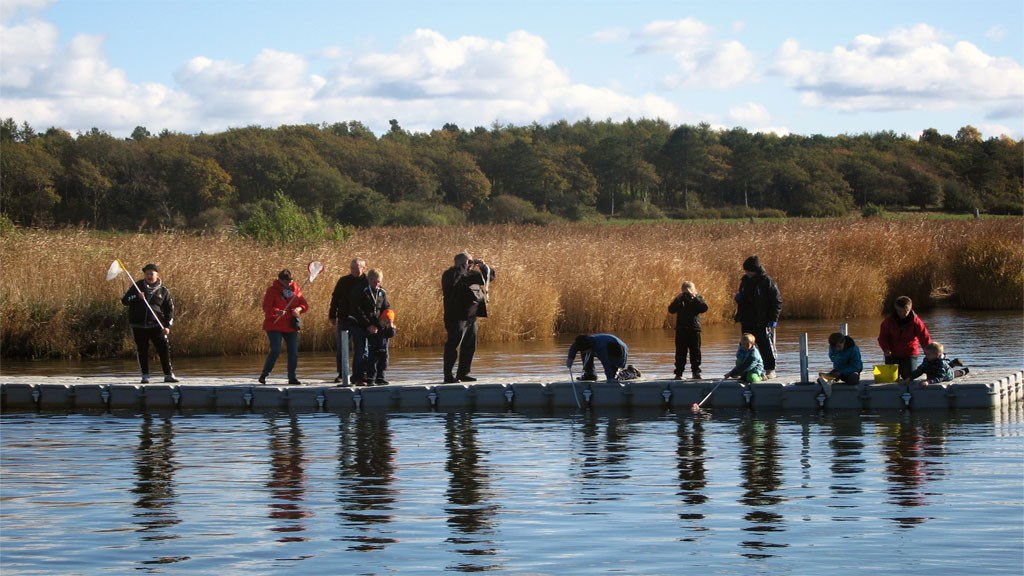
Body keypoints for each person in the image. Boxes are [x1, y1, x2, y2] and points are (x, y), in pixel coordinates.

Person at [441, 252, 495, 383]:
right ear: (459, 263)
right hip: (456, 317)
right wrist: (462, 266)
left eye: (471, 262)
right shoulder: (450, 274)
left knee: (469, 346)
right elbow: (453, 281)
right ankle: (448, 375)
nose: (471, 264)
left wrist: (483, 266)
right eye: (468, 262)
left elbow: (489, 278)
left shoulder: (472, 274)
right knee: (453, 345)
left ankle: (463, 373)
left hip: (471, 317)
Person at [121, 263, 178, 384]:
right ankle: (145, 376)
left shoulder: (163, 290)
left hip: (156, 325)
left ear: (157, 275)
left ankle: (168, 374)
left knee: (163, 349)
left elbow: (169, 309)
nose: (149, 276)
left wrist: (167, 326)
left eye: (151, 273)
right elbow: (124, 300)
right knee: (142, 350)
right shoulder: (137, 286)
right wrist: (137, 297)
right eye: (147, 274)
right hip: (138, 325)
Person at [734, 255, 782, 379]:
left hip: (762, 320)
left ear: (754, 270)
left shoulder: (767, 281)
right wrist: (739, 299)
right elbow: (744, 298)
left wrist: (773, 319)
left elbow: (776, 301)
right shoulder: (744, 281)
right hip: (747, 319)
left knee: (765, 345)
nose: (746, 273)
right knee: (745, 345)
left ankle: (770, 369)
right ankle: (744, 369)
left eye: (748, 270)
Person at [259, 269, 308, 385]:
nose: (289, 284)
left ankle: (292, 377)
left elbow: (304, 305)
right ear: (280, 280)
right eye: (286, 282)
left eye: (290, 281)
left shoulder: (296, 290)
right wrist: (277, 311)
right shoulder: (272, 291)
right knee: (275, 351)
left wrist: (299, 309)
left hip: (291, 326)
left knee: (293, 352)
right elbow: (266, 308)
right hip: (274, 325)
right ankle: (265, 374)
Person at [347, 268, 390, 386]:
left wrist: (386, 321)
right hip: (358, 324)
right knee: (361, 350)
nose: (377, 284)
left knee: (376, 351)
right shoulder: (360, 290)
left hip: (374, 325)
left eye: (379, 282)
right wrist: (369, 325)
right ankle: (358, 377)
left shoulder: (381, 292)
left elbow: (386, 308)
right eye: (375, 282)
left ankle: (374, 377)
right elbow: (357, 311)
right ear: (369, 280)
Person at [328, 258, 368, 384]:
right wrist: (332, 315)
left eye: (357, 268)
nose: (354, 270)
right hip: (344, 319)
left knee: (361, 348)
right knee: (341, 347)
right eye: (352, 268)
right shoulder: (343, 281)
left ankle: (360, 374)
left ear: (363, 268)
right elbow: (335, 299)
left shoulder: (368, 282)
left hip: (360, 321)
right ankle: (341, 373)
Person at [877, 295, 931, 379]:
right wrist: (886, 349)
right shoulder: (888, 322)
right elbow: (882, 338)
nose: (902, 314)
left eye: (905, 311)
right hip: (892, 354)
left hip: (910, 353)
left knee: (908, 376)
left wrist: (929, 352)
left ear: (910, 309)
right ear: (896, 309)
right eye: (899, 311)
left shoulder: (916, 322)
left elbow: (924, 338)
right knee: (891, 378)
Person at [668, 280, 709, 379]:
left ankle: (696, 372)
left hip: (694, 329)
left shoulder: (698, 298)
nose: (686, 292)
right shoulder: (680, 299)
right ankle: (678, 373)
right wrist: (678, 299)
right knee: (680, 352)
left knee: (695, 351)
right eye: (684, 290)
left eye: (688, 290)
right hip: (681, 329)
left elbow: (704, 308)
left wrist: (694, 297)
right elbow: (671, 310)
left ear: (693, 289)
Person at [903, 342, 969, 386]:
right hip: (934, 370)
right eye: (925, 354)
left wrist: (929, 382)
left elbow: (940, 377)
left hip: (946, 375)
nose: (926, 356)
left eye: (928, 354)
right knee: (946, 366)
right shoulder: (927, 360)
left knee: (954, 373)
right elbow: (920, 370)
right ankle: (953, 363)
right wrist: (910, 378)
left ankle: (964, 370)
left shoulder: (941, 364)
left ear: (937, 355)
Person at [367, 308, 397, 385]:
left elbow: (391, 335)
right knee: (372, 364)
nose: (385, 323)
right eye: (384, 321)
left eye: (388, 321)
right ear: (380, 320)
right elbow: (369, 336)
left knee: (383, 364)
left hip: (384, 349)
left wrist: (391, 326)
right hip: (374, 349)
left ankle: (380, 378)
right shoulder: (376, 328)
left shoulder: (387, 329)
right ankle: (371, 379)